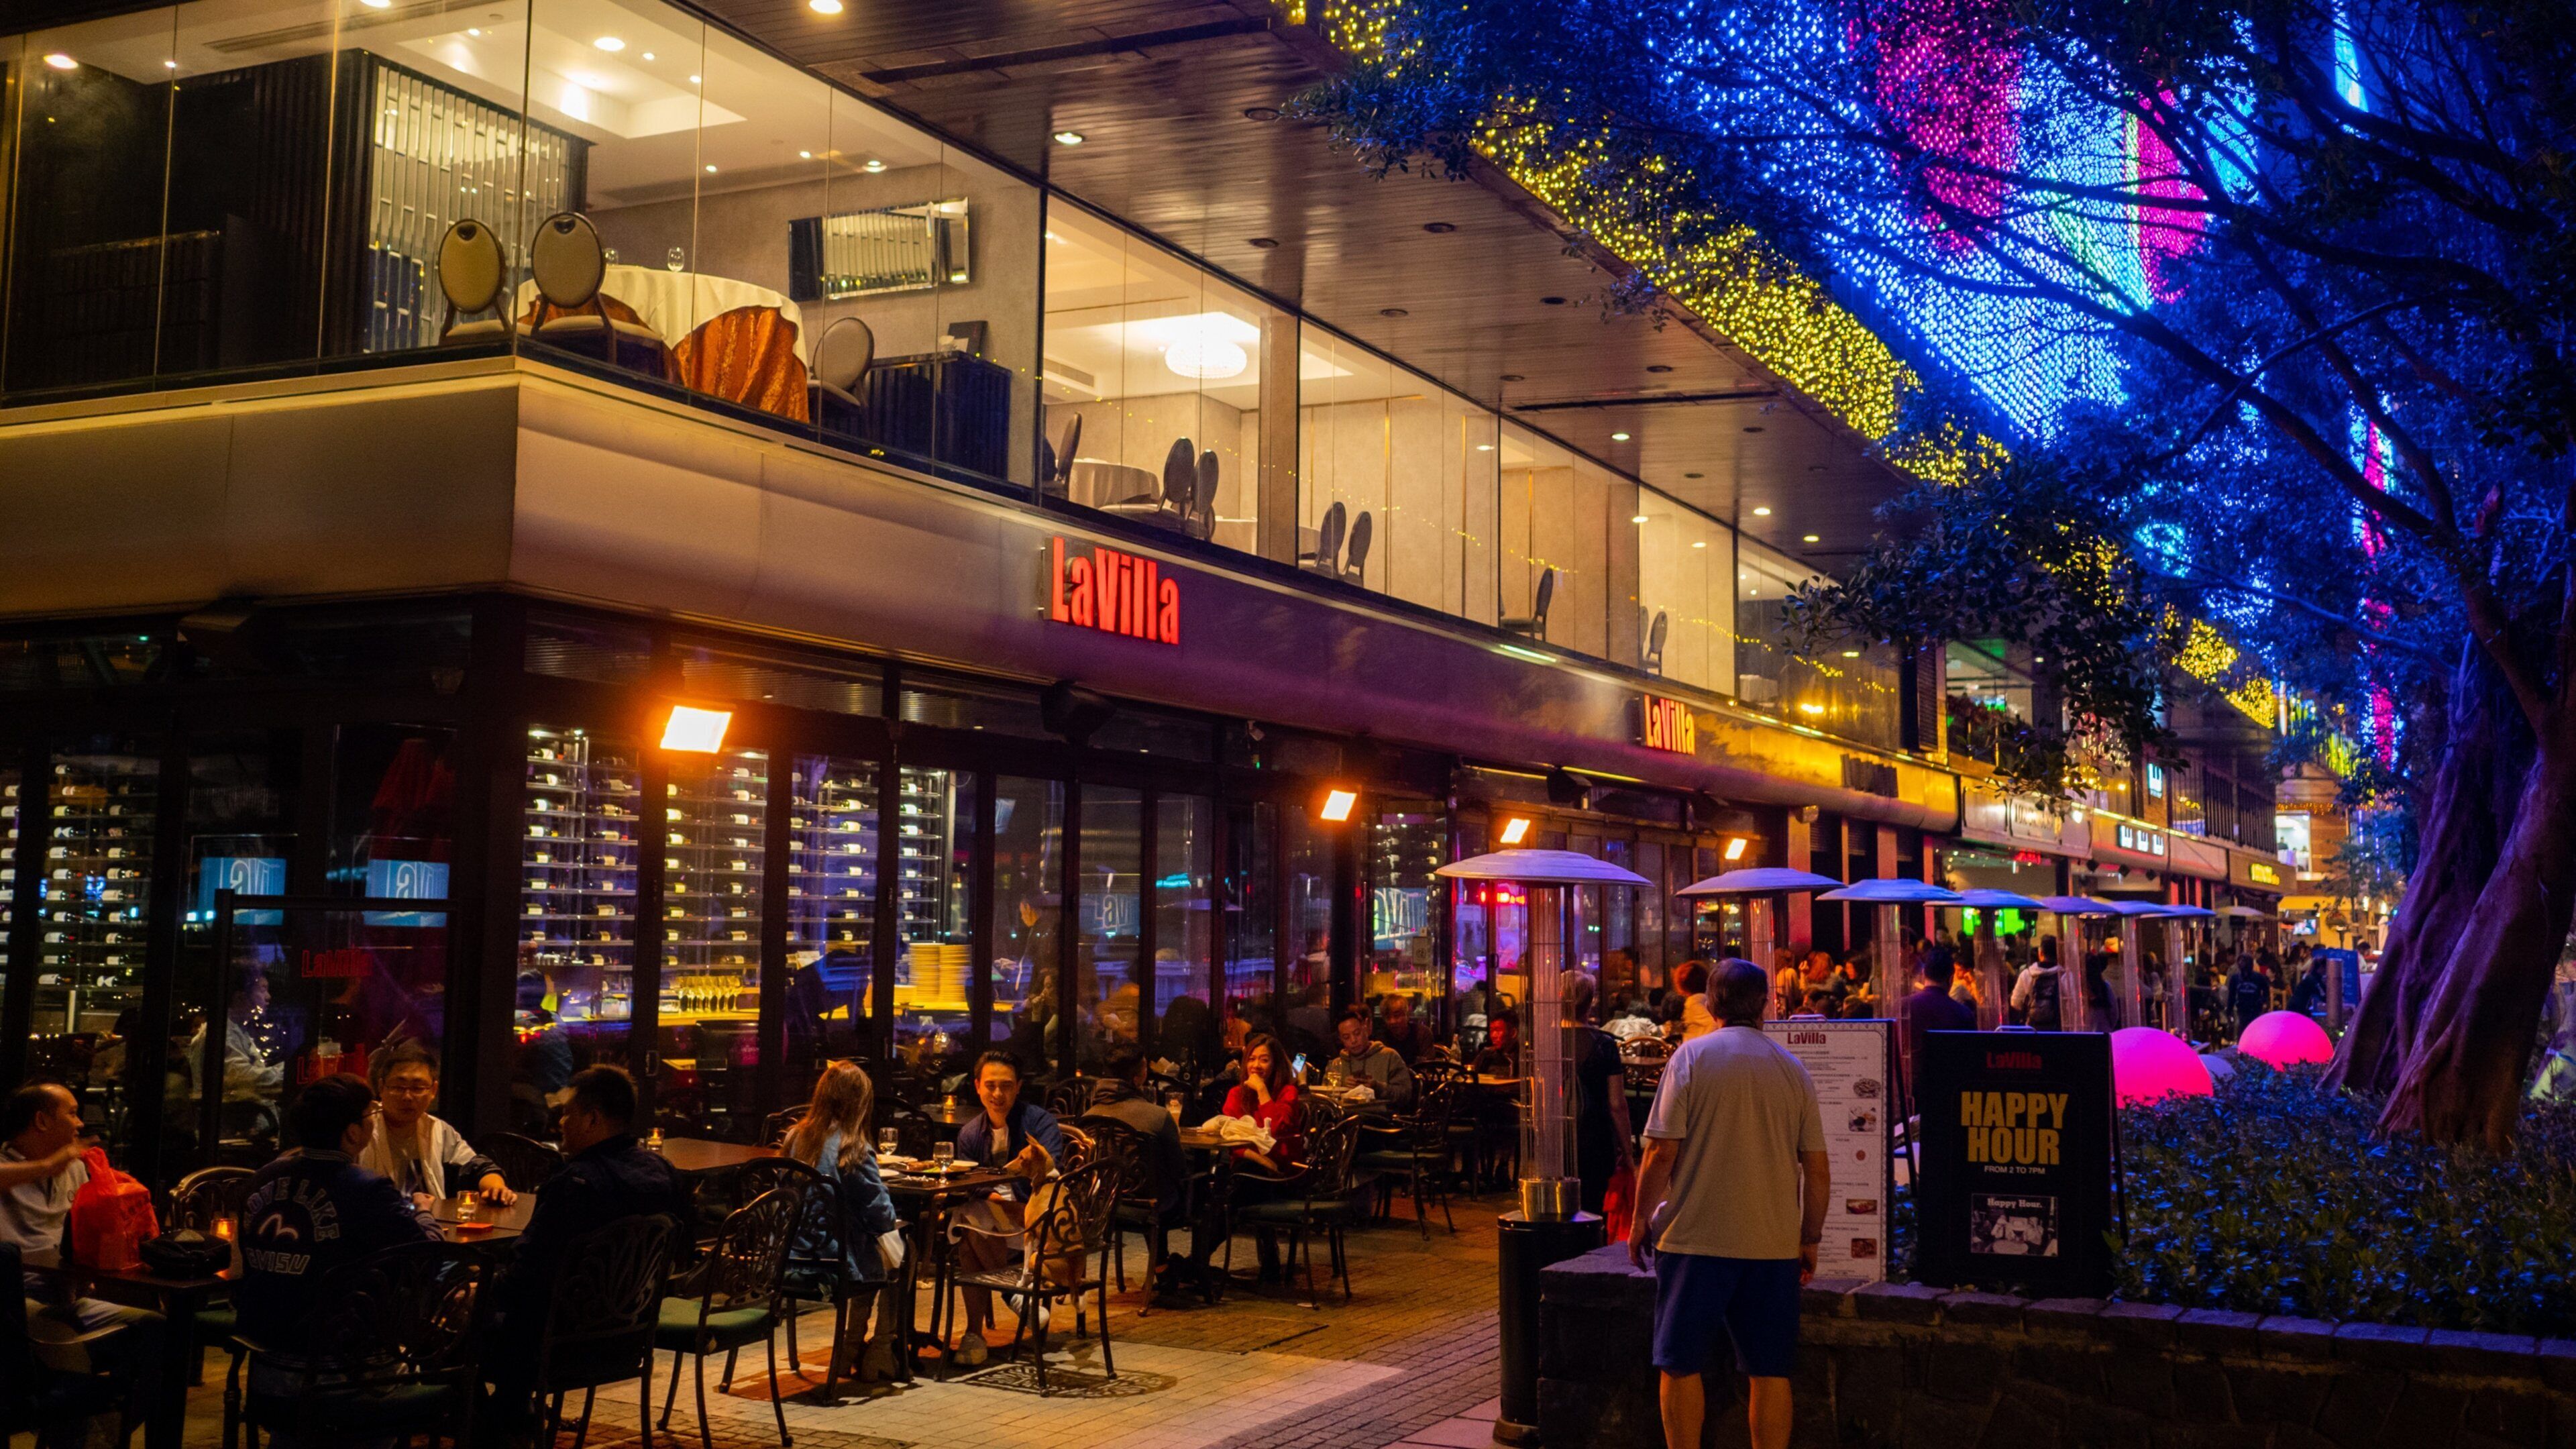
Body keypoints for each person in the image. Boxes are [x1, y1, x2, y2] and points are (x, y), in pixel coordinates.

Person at [1629, 960, 1830, 1449]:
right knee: (1769, 1369)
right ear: (1765, 1003)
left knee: (1679, 1364)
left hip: (1694, 1238)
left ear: (1711, 1003)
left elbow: (1660, 1152)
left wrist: (1639, 1221)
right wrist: (1809, 1236)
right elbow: (1817, 1168)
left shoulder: (1690, 1059)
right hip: (1772, 1242)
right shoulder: (1792, 1070)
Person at [484, 1066, 694, 1433]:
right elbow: (683, 1253)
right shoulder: (664, 1172)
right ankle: (513, 1413)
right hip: (628, 1339)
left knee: (458, 1319)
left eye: (568, 1113)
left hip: (554, 1347)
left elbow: (531, 1274)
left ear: (592, 1118)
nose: (561, 1122)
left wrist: (479, 1294)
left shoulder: (577, 1184)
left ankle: (482, 1421)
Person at [0, 1080, 164, 1426]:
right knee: (72, 1354)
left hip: (69, 1293)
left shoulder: (75, 1167)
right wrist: (49, 1164)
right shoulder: (12, 1164)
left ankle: (118, 1423)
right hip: (17, 1303)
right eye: (72, 1114)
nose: (80, 1124)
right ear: (42, 1121)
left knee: (157, 1327)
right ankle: (79, 1425)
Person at [237, 1074, 443, 1346]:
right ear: (353, 1132)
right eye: (372, 1114)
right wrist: (423, 1212)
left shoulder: (261, 1178)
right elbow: (427, 1259)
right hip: (339, 1363)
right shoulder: (368, 1189)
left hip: (263, 1349)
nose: (375, 1121)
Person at [780, 1060, 904, 1381]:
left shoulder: (794, 1137)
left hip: (792, 1257)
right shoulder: (854, 1146)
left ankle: (851, 1350)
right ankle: (876, 1350)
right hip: (836, 1263)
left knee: (875, 1247)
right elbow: (882, 1215)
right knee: (901, 1250)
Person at [949, 1052, 1067, 1364]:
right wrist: (998, 1202)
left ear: (1018, 1087)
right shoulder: (971, 1133)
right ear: (977, 1087)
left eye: (1006, 1086)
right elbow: (969, 1182)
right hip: (994, 1220)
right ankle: (1016, 1297)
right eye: (990, 1086)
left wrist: (1017, 1207)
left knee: (967, 1230)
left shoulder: (1039, 1123)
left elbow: (1052, 1172)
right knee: (971, 1217)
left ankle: (975, 1336)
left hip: (1037, 1222)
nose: (997, 1094)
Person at [1080, 1050, 1191, 1291]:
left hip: (1104, 1205)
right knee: (1197, 1194)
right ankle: (1190, 1269)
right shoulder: (1157, 1116)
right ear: (1138, 1077)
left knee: (1152, 1188)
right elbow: (1179, 1166)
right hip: (1152, 1205)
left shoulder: (1089, 1116)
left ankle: (1162, 1268)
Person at [361, 1043, 513, 1207]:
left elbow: (476, 1166)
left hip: (429, 1223)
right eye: (398, 1087)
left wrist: (496, 1188)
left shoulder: (438, 1130)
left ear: (433, 1090)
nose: (407, 1097)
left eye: (418, 1088)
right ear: (381, 1087)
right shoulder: (362, 1128)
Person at [1224, 1034, 1308, 1281]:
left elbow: (1277, 1131)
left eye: (1264, 1060)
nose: (1256, 1066)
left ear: (1276, 1065)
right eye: (1252, 1059)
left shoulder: (1288, 1093)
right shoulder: (1236, 1094)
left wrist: (1262, 1091)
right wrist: (1262, 1160)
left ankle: (1195, 1262)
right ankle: (1268, 1252)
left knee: (1229, 1193)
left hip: (1283, 1175)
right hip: (1251, 1170)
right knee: (1242, 1179)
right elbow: (1232, 1142)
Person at [1563, 973, 1637, 1216]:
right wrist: (1627, 1152)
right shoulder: (1604, 1044)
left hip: (1557, 1140)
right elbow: (1617, 1104)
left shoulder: (1545, 1044)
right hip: (1595, 1138)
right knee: (1594, 1209)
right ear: (1591, 1001)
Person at [1902, 947, 1978, 1073]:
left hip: (1909, 1085)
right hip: (1950, 1086)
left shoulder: (1901, 1007)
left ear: (1924, 974)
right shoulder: (1964, 1014)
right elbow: (1970, 1059)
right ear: (1951, 978)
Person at [1329, 1008, 1416, 1109]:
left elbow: (1405, 1094)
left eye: (1357, 1033)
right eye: (1346, 1037)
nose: (1353, 1040)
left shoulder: (1389, 1056)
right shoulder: (1337, 1064)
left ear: (1365, 1029)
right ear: (1341, 1040)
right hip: (1344, 1119)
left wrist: (1377, 1087)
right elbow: (1327, 1099)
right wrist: (1343, 1087)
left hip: (1380, 1120)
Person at [2011, 935, 2068, 1030]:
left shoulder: (2027, 974)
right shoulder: (2065, 976)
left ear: (2040, 953)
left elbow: (2015, 1002)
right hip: (2057, 1030)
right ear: (2058, 953)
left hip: (2032, 1029)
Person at [1377, 992, 1436, 1064]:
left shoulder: (1422, 1033)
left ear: (1407, 1015)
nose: (1392, 1022)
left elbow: (1429, 1067)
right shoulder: (1381, 1039)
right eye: (1388, 1017)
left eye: (1397, 1016)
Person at [1672, 961, 1719, 1041]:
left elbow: (1713, 1024)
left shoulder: (1694, 1002)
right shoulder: (1706, 999)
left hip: (1697, 1050)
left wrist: (1701, 1044)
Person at [2228, 955, 2273, 1036]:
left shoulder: (2259, 978)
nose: (2241, 964)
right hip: (2242, 1009)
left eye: (2244, 961)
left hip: (2254, 1009)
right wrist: (2229, 1011)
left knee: (2254, 1032)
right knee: (2242, 1031)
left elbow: (2267, 991)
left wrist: (2262, 1002)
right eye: (2240, 961)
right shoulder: (2235, 978)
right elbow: (2231, 996)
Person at [1470, 1010, 1521, 1075]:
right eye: (1491, 1030)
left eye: (1498, 1030)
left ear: (1513, 1033)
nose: (1493, 1036)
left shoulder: (1525, 1058)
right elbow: (1470, 1076)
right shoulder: (1487, 1055)